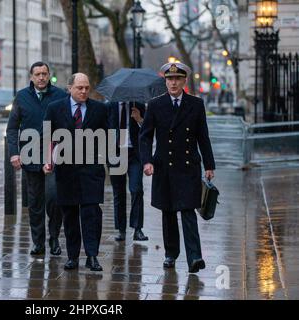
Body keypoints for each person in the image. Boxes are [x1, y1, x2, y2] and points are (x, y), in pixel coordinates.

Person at [139, 62, 216, 273]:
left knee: (188, 211)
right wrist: (146, 161)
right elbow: (145, 136)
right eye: (169, 79)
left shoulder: (196, 104)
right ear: (165, 81)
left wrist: (209, 164)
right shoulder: (155, 105)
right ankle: (170, 254)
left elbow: (203, 137)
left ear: (184, 81)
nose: (173, 83)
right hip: (164, 166)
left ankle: (195, 257)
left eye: (177, 79)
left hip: (188, 165)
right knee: (168, 213)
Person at [43, 73, 108, 271]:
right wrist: (48, 161)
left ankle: (92, 256)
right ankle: (72, 257)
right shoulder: (55, 108)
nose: (84, 91)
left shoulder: (100, 109)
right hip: (66, 171)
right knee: (70, 215)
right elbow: (47, 136)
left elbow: (108, 136)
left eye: (87, 87)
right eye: (79, 87)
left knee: (91, 214)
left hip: (91, 171)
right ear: (70, 88)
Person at [6, 61, 67, 256]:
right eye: (38, 74)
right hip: (30, 157)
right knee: (35, 203)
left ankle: (54, 238)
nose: (41, 77)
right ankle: (38, 242)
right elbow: (13, 127)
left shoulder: (60, 96)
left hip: (53, 157)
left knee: (54, 198)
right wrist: (14, 152)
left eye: (45, 74)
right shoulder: (22, 97)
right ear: (31, 77)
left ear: (49, 75)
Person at [107, 101, 149, 242]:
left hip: (134, 155)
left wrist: (140, 120)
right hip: (115, 154)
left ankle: (137, 229)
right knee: (118, 193)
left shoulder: (139, 106)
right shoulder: (109, 107)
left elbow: (149, 131)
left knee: (136, 189)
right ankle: (121, 230)